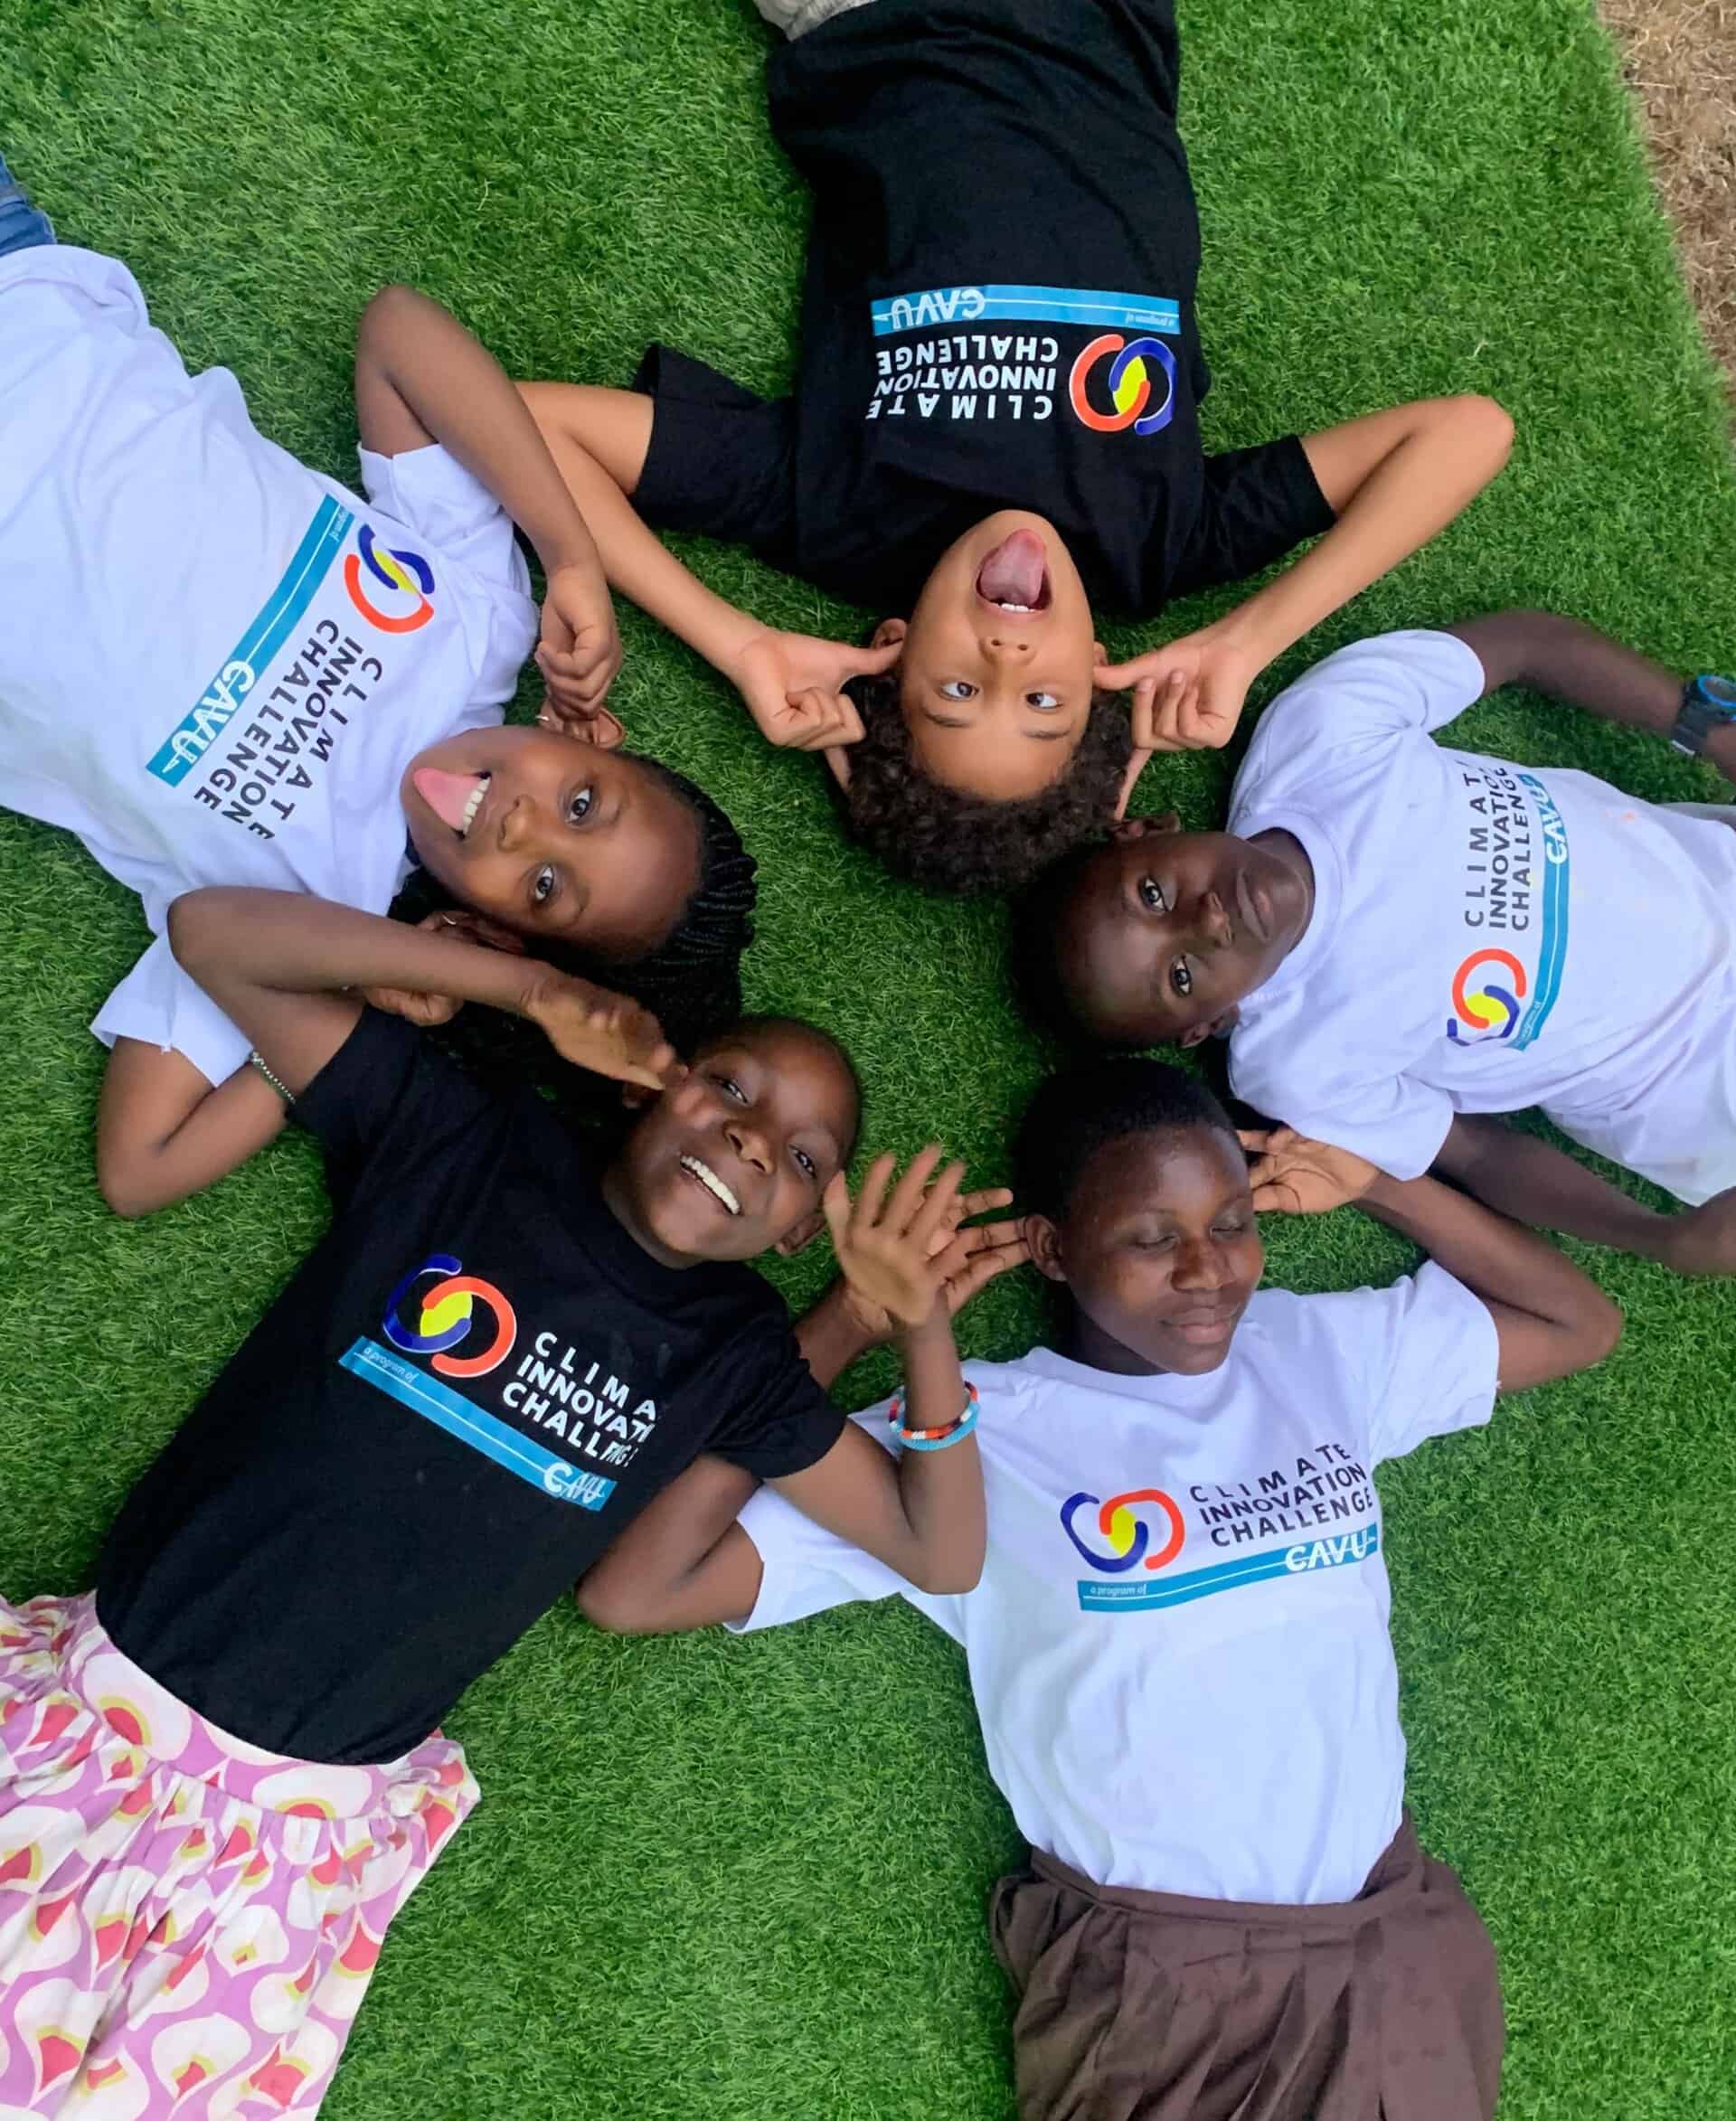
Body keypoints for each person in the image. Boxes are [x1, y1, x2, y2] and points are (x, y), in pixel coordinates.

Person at [0, 879, 993, 2118]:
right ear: (653, 1082)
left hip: (291, 1836)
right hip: (87, 1719)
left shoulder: (738, 1358)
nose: (751, 1139)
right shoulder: (467, 1140)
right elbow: (212, 937)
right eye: (733, 1086)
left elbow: (938, 1548)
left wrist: (923, 1328)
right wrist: (530, 990)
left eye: (802, 1159)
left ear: (804, 1234)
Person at [574, 1059, 1620, 2120]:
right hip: (1166, 1990)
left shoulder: (1311, 1353)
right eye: (1152, 1238)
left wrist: (1378, 1183)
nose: (1209, 1273)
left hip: (1390, 1941)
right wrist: (854, 1320)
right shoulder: (973, 1432)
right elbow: (638, 1589)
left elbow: (1581, 1324)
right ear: (1053, 1249)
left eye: (1230, 1224)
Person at [516, 0, 1512, 896]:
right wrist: (1249, 639)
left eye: (956, 692)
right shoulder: (1161, 545)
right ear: (1094, 665)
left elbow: (528, 425)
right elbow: (1466, 432)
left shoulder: (836, 517)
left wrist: (733, 640)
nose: (1005, 653)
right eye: (1043, 700)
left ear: (889, 652)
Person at [0, 153, 756, 1220]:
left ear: (494, 932)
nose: (524, 825)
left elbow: (141, 1166)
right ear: (588, 733)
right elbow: (399, 333)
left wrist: (480, 988)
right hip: (27, 311)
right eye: (583, 802)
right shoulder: (482, 623)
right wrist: (571, 556)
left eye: (544, 887)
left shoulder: (313, 918)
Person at [1020, 614, 1736, 1272]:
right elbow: (1478, 1152)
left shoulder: (1320, 737)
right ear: (1206, 1025)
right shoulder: (1296, 1067)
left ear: (1145, 830)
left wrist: (1715, 730)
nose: (1207, 923)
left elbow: (1525, 646)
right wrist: (1664, 1238)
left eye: (1153, 895)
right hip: (1693, 1082)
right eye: (1181, 976)